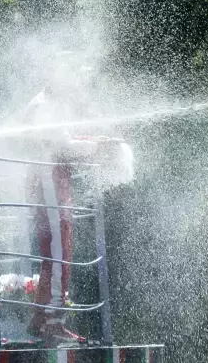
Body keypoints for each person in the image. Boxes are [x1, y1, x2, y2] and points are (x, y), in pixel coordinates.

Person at [15, 81, 134, 345]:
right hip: (49, 184)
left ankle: (41, 317)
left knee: (57, 255)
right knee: (59, 256)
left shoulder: (48, 103)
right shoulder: (45, 105)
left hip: (52, 183)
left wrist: (94, 141)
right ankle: (53, 323)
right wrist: (99, 147)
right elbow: (63, 147)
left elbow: (65, 141)